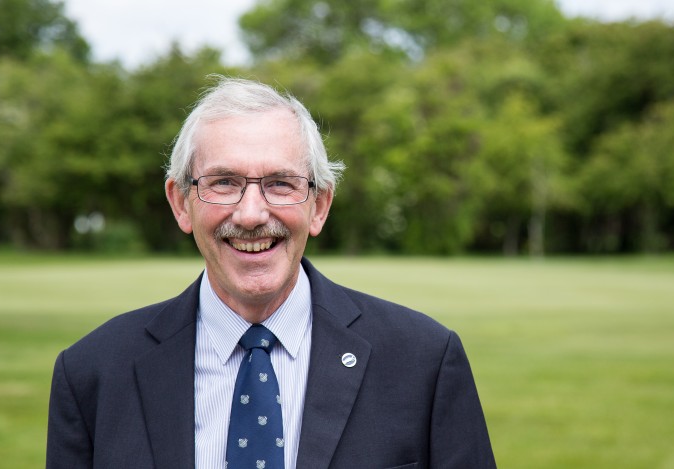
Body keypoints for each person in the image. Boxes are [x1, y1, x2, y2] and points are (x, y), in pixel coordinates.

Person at [46, 76, 496, 469]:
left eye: (280, 184)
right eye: (224, 182)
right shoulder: (92, 373)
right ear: (181, 203)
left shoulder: (424, 362)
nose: (251, 214)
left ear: (319, 206)